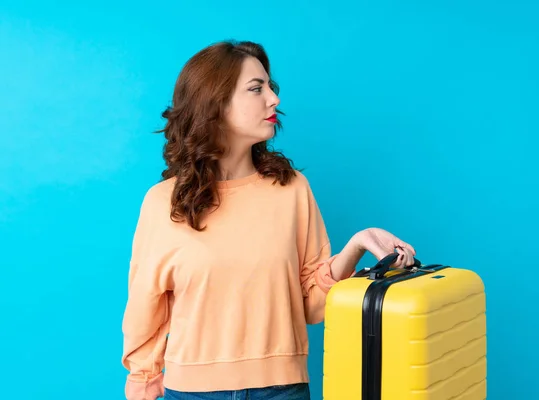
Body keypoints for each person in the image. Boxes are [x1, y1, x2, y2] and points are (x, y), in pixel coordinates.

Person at [121, 40, 417, 400]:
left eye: (270, 87)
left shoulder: (290, 188)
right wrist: (143, 380)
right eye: (256, 89)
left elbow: (311, 303)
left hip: (283, 389)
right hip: (193, 392)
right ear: (214, 101)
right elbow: (145, 307)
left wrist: (357, 244)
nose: (273, 99)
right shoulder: (163, 202)